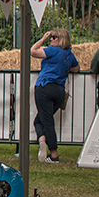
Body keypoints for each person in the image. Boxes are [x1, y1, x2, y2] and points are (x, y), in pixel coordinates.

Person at [31, 28, 79, 162]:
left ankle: (53, 154)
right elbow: (76, 68)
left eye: (53, 37)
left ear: (59, 39)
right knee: (40, 120)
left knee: (47, 122)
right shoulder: (69, 54)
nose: (51, 39)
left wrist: (43, 39)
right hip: (59, 91)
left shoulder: (53, 51)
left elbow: (33, 51)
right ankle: (42, 139)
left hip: (44, 87)